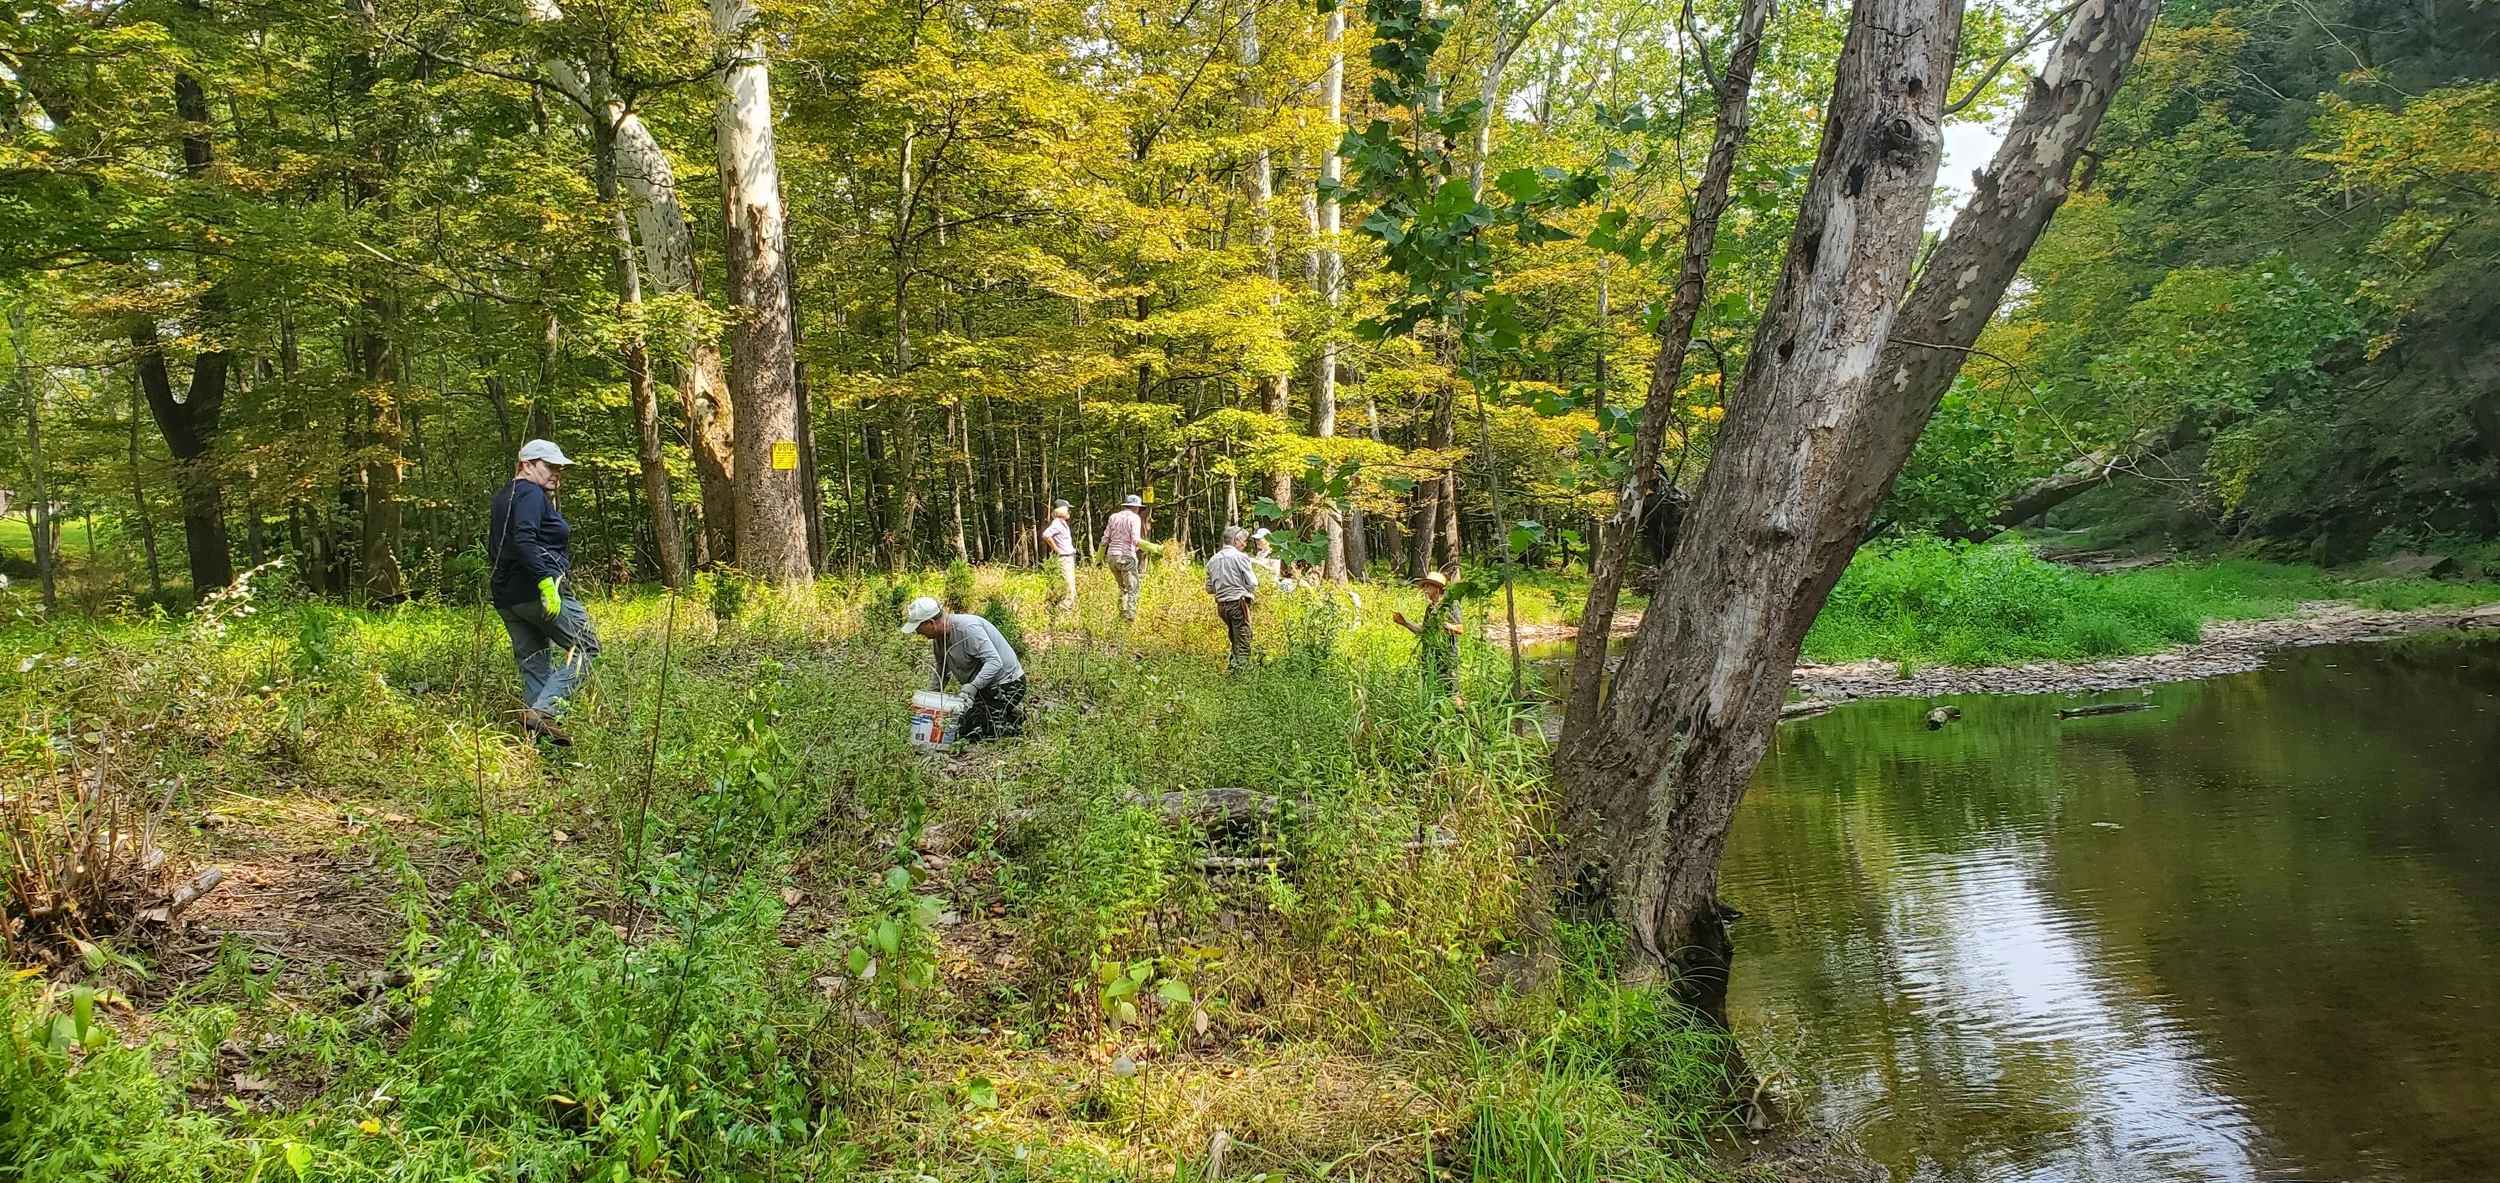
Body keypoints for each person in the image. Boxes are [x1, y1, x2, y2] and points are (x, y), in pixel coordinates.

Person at [486, 439, 600, 746]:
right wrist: (546, 582)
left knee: (535, 662)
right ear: (527, 465)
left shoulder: (504, 496)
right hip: (536, 591)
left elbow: (498, 546)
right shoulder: (530, 493)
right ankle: (545, 712)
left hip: (507, 598)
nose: (556, 473)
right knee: (587, 648)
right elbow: (524, 540)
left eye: (559, 468)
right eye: (549, 466)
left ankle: (539, 748)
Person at [902, 595, 1027, 741]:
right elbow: (941, 669)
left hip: (1007, 684)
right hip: (981, 690)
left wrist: (973, 686)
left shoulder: (968, 629)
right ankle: (1002, 715)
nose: (918, 632)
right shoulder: (939, 639)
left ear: (931, 623)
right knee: (954, 723)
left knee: (968, 731)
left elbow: (994, 662)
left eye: (918, 627)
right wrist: (930, 699)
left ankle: (1015, 720)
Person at [1393, 569, 1463, 699]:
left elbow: (1460, 629)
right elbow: (1424, 632)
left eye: (1428, 586)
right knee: (1431, 689)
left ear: (1438, 588)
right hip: (1430, 657)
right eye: (1424, 586)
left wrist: (1444, 624)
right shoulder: (1430, 608)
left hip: (1446, 656)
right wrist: (1404, 623)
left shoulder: (1450, 605)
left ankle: (1461, 716)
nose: (1425, 589)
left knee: (1452, 691)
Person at [1205, 526, 1257, 672]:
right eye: (1244, 541)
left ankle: (1232, 670)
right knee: (1243, 640)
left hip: (1221, 606)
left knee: (1235, 638)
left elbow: (1209, 589)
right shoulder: (1241, 558)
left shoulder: (1212, 560)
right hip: (1238, 603)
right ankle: (1241, 675)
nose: (1245, 544)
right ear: (1236, 540)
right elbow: (1253, 583)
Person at [1100, 494, 1149, 621]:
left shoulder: (1113, 517)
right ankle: (1130, 616)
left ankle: (1121, 616)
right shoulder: (1135, 518)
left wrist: (1098, 559)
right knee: (1133, 588)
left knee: (1122, 588)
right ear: (1136, 508)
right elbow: (1136, 540)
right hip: (1126, 557)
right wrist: (1156, 548)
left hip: (1111, 557)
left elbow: (1105, 539)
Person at [1041, 500, 1078, 612]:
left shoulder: (1062, 523)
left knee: (1067, 586)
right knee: (1069, 587)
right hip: (1064, 558)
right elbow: (1046, 535)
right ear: (1061, 511)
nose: (1069, 512)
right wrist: (1056, 549)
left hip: (1068, 558)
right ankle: (1063, 612)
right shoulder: (1057, 523)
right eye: (1068, 509)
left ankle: (1056, 610)